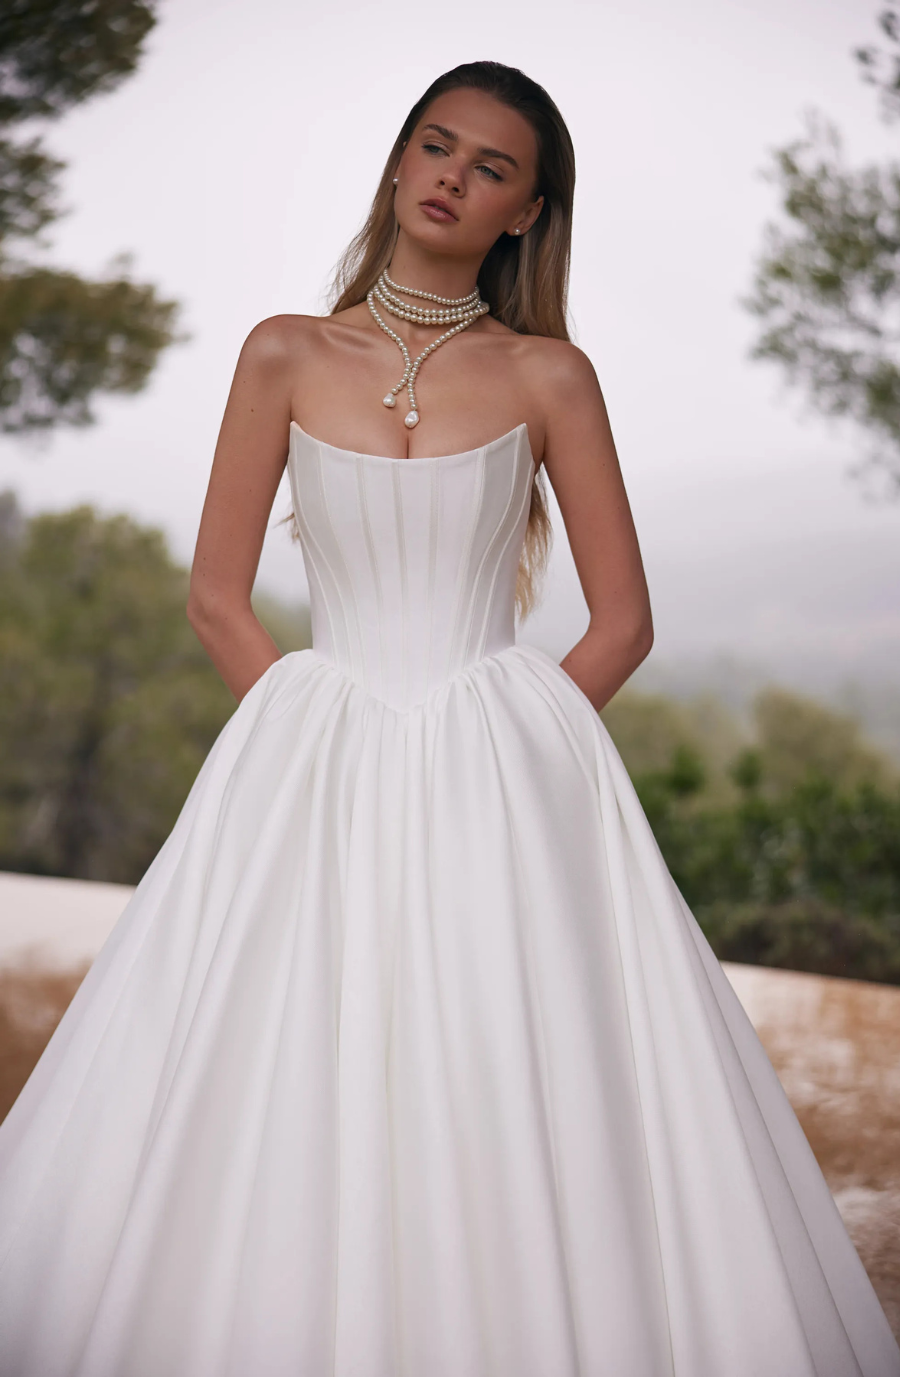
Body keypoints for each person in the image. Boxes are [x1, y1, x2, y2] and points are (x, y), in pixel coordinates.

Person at [0, 58, 897, 1377]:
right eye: (436, 145)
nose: (451, 176)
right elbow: (214, 596)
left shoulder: (552, 380)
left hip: (501, 786)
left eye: (490, 168)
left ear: (526, 212)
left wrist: (507, 744)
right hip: (310, 767)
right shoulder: (285, 352)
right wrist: (324, 742)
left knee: (502, 1072)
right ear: (401, 159)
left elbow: (624, 623)